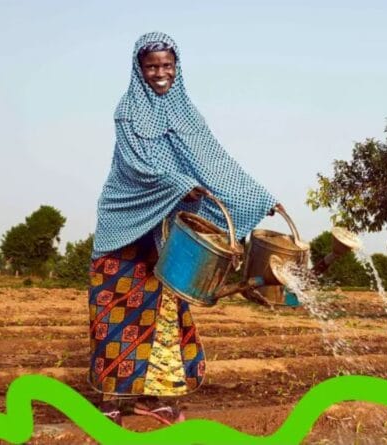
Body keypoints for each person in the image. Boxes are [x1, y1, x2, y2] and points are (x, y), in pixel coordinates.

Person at [88, 32, 282, 426]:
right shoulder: (127, 111)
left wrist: (260, 197)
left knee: (164, 309)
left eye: (167, 66)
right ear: (138, 69)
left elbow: (215, 161)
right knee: (112, 312)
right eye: (151, 66)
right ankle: (113, 399)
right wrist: (178, 182)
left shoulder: (187, 113)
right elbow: (135, 165)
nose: (160, 74)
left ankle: (160, 397)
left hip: (166, 232)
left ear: (177, 67)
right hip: (125, 225)